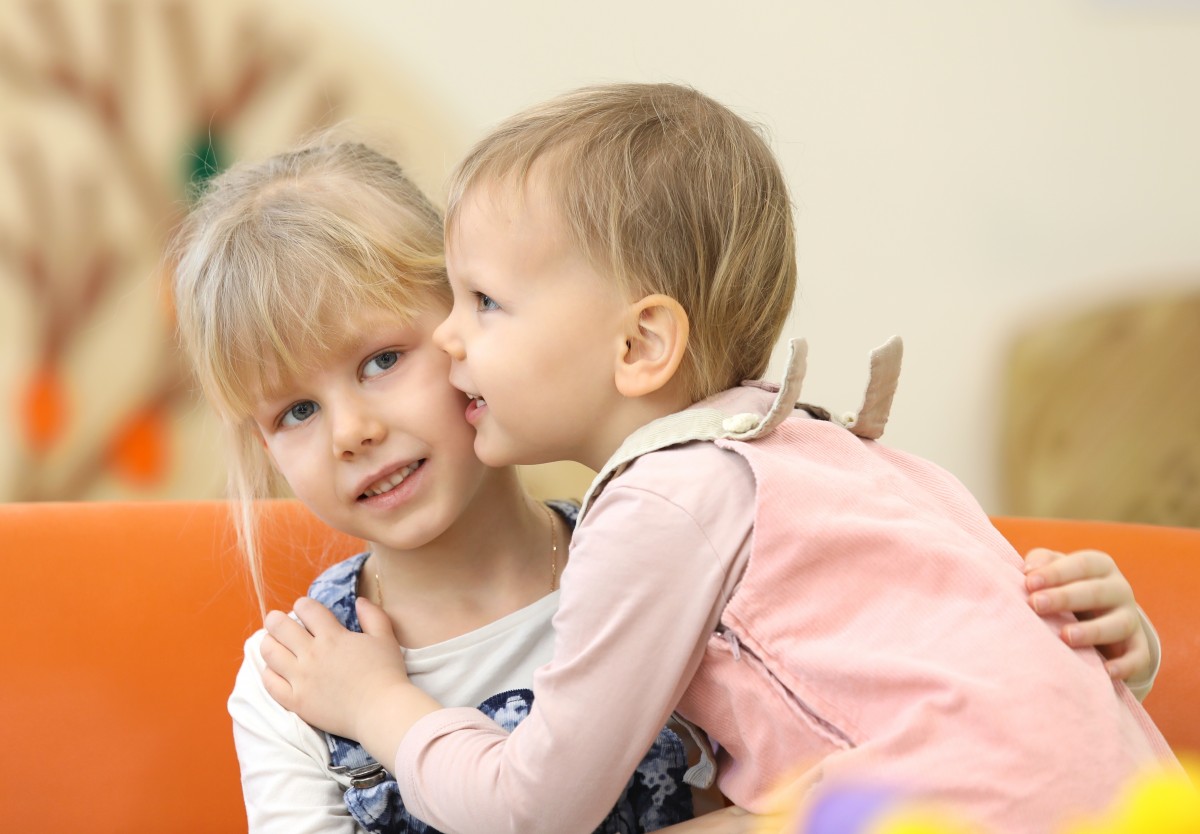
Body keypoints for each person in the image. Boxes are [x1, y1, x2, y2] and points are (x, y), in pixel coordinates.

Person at [260, 85, 1179, 834]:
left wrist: (378, 703)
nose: (451, 340)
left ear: (639, 345)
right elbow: (984, 681)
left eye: (484, 303)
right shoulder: (822, 451)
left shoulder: (661, 509)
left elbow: (530, 813)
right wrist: (1123, 654)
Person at [170, 138, 758, 834]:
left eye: (381, 360)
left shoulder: (672, 563)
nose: (349, 432)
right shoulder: (291, 681)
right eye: (296, 411)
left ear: (469, 321)